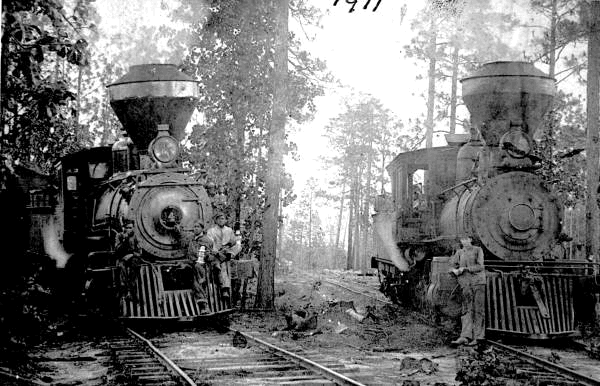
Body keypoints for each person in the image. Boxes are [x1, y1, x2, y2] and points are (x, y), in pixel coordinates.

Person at [449, 236, 485, 346]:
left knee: (478, 309)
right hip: (465, 284)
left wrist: (465, 269)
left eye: (466, 239)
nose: (464, 241)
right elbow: (452, 266)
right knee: (466, 309)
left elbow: (480, 266)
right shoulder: (459, 252)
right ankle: (465, 336)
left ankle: (478, 337)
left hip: (478, 282)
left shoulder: (478, 250)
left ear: (470, 239)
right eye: (462, 240)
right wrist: (455, 271)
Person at [206, 213, 242, 299]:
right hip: (217, 252)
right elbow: (210, 243)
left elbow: (234, 241)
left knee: (238, 245)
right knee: (222, 264)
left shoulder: (229, 230)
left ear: (225, 220)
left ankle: (228, 256)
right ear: (216, 220)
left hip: (227, 251)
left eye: (223, 219)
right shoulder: (211, 231)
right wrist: (218, 251)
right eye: (219, 219)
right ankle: (225, 289)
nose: (221, 220)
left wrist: (228, 246)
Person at [186, 220, 215, 313]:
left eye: (198, 227)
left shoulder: (207, 240)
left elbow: (211, 257)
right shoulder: (191, 238)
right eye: (194, 227)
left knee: (195, 279)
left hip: (202, 266)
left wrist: (207, 255)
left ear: (202, 228)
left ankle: (204, 305)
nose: (195, 228)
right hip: (191, 264)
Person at [115, 220, 142, 301]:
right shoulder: (119, 235)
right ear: (124, 228)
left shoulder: (136, 236)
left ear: (133, 228)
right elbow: (117, 250)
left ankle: (132, 290)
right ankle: (124, 291)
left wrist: (131, 255)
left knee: (135, 263)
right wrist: (124, 240)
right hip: (122, 258)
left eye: (130, 228)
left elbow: (140, 253)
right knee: (121, 266)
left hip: (133, 258)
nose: (128, 229)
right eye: (126, 228)